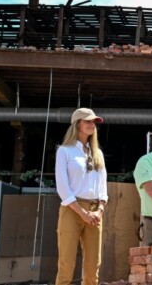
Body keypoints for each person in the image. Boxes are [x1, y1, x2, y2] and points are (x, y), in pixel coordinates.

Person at [55, 108, 108, 285]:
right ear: (77, 124)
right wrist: (81, 212)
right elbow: (62, 187)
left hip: (95, 212)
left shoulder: (97, 153)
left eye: (94, 122)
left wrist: (99, 210)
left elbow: (103, 186)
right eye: (88, 121)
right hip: (72, 209)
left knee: (94, 265)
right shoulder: (64, 151)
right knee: (66, 263)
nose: (92, 125)